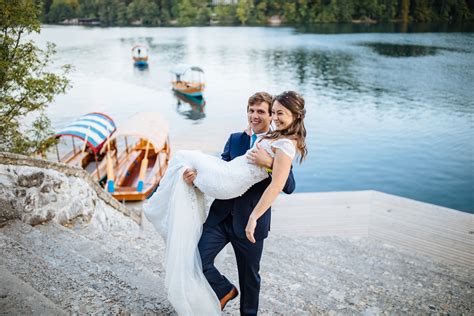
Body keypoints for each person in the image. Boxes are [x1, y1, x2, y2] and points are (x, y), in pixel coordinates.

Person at [144, 91, 307, 315]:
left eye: (261, 111)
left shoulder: (280, 144)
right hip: (220, 217)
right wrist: (195, 180)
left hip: (249, 223)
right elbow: (222, 172)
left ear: (271, 115)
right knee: (196, 261)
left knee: (250, 279)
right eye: (251, 111)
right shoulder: (236, 139)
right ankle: (224, 290)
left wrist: (267, 163)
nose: (254, 116)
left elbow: (287, 185)